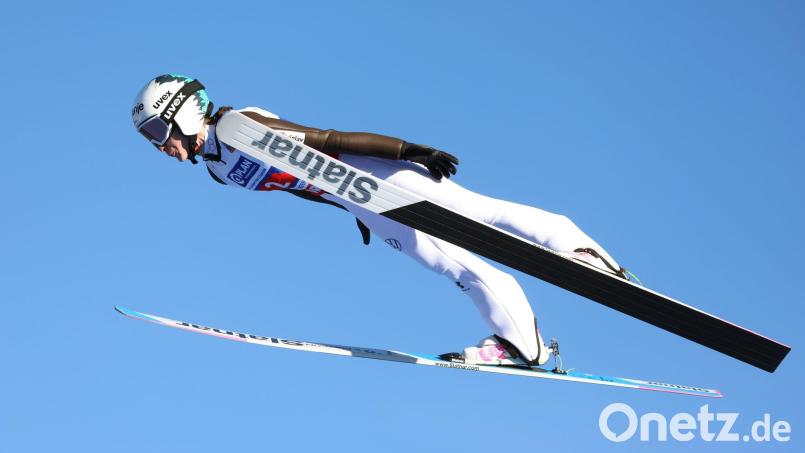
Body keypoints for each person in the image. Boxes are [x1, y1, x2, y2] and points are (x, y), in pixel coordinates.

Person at [132, 74, 629, 367]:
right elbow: (300, 185)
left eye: (158, 129)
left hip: (375, 173)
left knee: (477, 214)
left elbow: (326, 140)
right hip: (360, 199)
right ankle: (524, 344)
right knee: (449, 263)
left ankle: (581, 252)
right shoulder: (218, 169)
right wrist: (353, 210)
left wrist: (408, 150)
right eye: (150, 138)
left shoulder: (237, 126)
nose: (160, 145)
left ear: (182, 112)